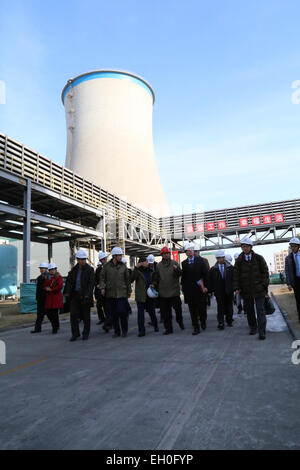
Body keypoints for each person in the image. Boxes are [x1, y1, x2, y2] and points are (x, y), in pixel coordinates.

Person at [233, 237, 269, 339]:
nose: (245, 248)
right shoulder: (239, 260)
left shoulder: (259, 258)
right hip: (246, 290)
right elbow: (236, 275)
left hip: (259, 290)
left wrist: (263, 285)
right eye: (243, 246)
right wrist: (237, 287)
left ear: (251, 247)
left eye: (246, 246)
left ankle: (262, 331)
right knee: (249, 311)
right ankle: (253, 328)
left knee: (260, 310)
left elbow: (265, 273)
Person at [152, 246, 184, 335]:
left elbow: (180, 274)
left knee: (178, 310)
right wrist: (154, 284)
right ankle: (168, 329)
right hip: (163, 293)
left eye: (167, 253)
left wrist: (176, 269)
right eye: (165, 254)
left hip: (174, 292)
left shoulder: (174, 263)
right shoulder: (158, 266)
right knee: (166, 314)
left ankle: (180, 321)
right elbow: (156, 278)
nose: (166, 255)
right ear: (162, 255)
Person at [64, 249, 95, 341]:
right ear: (77, 259)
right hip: (75, 295)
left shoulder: (90, 270)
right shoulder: (74, 270)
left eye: (83, 259)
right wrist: (67, 292)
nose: (82, 261)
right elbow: (70, 282)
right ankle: (75, 333)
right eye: (80, 259)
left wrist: (88, 294)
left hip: (85, 296)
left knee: (86, 316)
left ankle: (85, 333)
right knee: (73, 315)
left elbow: (91, 283)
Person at [100, 247, 131, 338]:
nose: (121, 257)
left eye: (121, 255)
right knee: (114, 314)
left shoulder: (123, 266)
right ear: (114, 256)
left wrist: (129, 291)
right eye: (119, 255)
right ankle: (117, 331)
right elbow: (102, 278)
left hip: (122, 293)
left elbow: (127, 280)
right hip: (111, 294)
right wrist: (102, 287)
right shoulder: (106, 267)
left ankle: (124, 330)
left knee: (122, 312)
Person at [181, 242, 208, 335]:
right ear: (186, 253)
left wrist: (206, 287)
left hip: (200, 290)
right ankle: (196, 327)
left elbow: (205, 275)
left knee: (202, 309)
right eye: (188, 251)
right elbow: (184, 278)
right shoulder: (184, 263)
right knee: (192, 310)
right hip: (190, 291)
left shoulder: (200, 261)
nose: (190, 252)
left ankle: (203, 322)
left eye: (191, 250)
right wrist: (184, 290)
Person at [131, 257, 159, 336]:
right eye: (146, 261)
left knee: (152, 312)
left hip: (149, 294)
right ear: (141, 263)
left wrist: (153, 284)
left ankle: (155, 325)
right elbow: (131, 278)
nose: (147, 263)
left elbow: (155, 279)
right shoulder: (137, 271)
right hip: (140, 295)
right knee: (140, 314)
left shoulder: (151, 270)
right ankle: (141, 330)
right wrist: (136, 268)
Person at [208, 250, 234, 330]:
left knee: (229, 306)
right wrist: (210, 291)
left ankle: (229, 321)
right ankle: (221, 322)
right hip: (219, 291)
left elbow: (234, 279)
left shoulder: (230, 268)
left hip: (229, 290)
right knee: (220, 307)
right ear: (216, 258)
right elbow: (210, 281)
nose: (221, 259)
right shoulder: (213, 270)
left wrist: (235, 288)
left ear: (224, 257)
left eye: (222, 257)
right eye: (219, 258)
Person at [44, 262, 63, 334]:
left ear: (56, 269)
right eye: (51, 269)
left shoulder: (59, 277)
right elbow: (45, 286)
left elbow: (60, 286)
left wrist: (51, 289)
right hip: (49, 298)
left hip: (56, 297)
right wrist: (46, 289)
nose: (52, 271)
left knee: (54, 313)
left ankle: (55, 327)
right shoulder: (48, 278)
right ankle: (55, 325)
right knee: (48, 312)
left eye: (53, 269)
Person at [193, 243, 210, 320]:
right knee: (195, 304)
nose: (195, 253)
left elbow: (207, 274)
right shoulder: (190, 261)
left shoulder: (204, 261)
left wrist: (207, 287)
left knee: (203, 304)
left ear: (198, 252)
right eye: (194, 251)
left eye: (196, 251)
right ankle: (197, 316)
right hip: (194, 287)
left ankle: (203, 317)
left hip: (203, 286)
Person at [285, 237, 300, 323]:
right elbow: (287, 271)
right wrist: (289, 283)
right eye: (292, 246)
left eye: (295, 246)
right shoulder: (288, 258)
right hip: (296, 282)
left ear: (298, 246)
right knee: (298, 300)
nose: (293, 248)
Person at [31, 262, 49, 333]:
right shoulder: (39, 277)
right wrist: (37, 297)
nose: (41, 270)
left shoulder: (48, 277)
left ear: (46, 269)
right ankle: (37, 329)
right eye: (41, 268)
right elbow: (38, 289)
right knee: (39, 314)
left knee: (50, 314)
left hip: (46, 298)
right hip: (40, 299)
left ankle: (55, 326)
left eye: (43, 268)